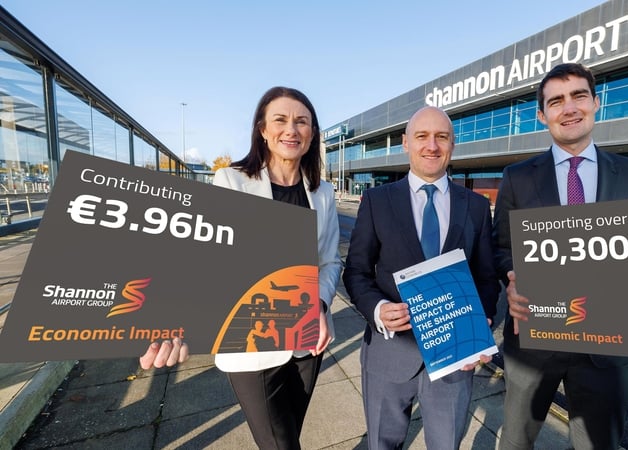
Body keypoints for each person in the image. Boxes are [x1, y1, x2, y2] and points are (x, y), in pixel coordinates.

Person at [140, 86, 342, 450]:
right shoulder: (231, 181)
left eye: (302, 121)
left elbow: (329, 261)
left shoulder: (322, 192)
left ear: (312, 133)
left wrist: (322, 305)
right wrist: (173, 320)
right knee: (280, 444)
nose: (291, 130)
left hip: (307, 341)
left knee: (288, 435)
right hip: (250, 343)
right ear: (262, 130)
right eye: (280, 120)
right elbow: (202, 261)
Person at [492, 63, 628, 450]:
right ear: (542, 114)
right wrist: (512, 279)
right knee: (515, 443)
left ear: (596, 103)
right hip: (534, 342)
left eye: (578, 96)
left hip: (608, 349)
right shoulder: (517, 177)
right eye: (556, 101)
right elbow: (500, 248)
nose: (569, 108)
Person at [343, 106, 499, 450]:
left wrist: (483, 319)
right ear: (405, 143)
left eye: (441, 137)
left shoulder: (474, 206)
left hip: (455, 355)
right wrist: (377, 309)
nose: (432, 145)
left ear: (452, 146)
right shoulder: (376, 200)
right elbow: (355, 271)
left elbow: (487, 277)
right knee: (382, 444)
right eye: (422, 136)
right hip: (389, 353)